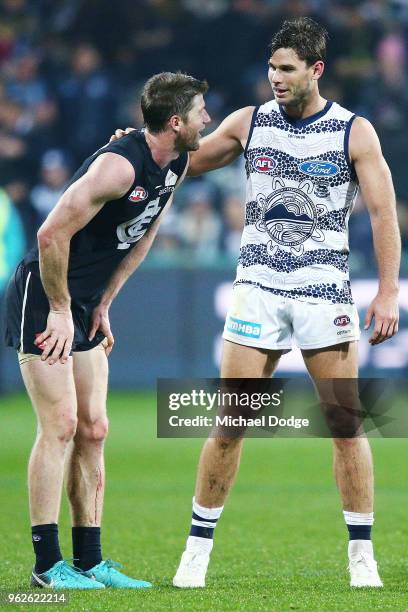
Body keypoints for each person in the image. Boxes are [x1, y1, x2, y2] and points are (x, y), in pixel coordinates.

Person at [113, 16, 400, 588]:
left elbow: (383, 213)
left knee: (345, 424)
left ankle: (361, 555)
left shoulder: (354, 132)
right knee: (230, 424)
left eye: (287, 69)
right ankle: (196, 551)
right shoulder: (250, 123)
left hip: (324, 291)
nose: (276, 78)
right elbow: (185, 158)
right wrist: (132, 148)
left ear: (316, 70)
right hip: (258, 289)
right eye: (272, 68)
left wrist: (388, 290)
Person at [4, 71, 210, 589]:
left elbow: (145, 231)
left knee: (95, 428)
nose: (208, 119)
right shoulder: (119, 167)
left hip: (85, 303)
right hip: (44, 296)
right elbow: (51, 233)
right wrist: (58, 308)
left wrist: (104, 302)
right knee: (61, 426)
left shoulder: (176, 163)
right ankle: (47, 566)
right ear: (176, 121)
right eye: (202, 111)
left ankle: (91, 560)